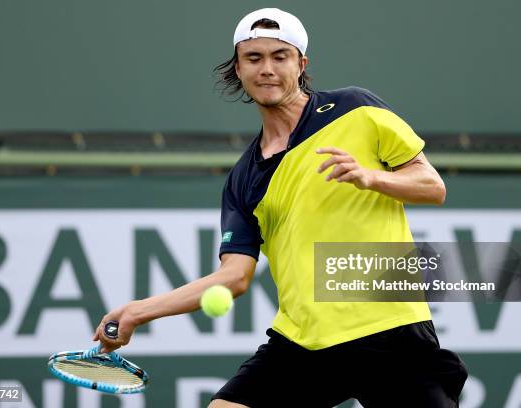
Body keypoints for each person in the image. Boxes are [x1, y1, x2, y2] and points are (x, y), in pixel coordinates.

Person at [93, 7, 468, 407]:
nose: (266, 69)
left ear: (301, 64)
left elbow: (432, 186)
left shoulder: (357, 109)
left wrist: (372, 177)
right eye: (254, 58)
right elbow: (233, 278)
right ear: (238, 69)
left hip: (388, 330)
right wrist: (136, 312)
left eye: (279, 56)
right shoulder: (243, 179)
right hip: (303, 342)